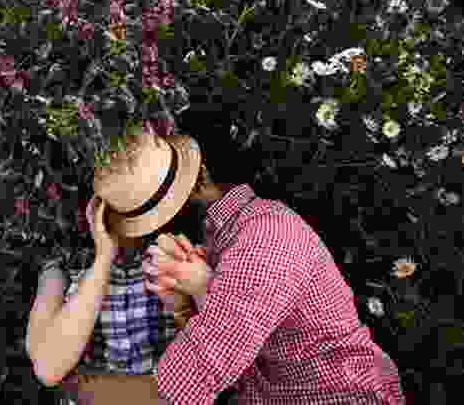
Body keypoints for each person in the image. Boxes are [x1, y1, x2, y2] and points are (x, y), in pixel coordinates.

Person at [138, 147, 408, 403]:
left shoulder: (265, 236)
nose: (156, 217)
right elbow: (241, 365)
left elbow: (188, 381)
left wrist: (199, 288)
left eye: (162, 198)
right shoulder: (218, 240)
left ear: (202, 174)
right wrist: (185, 304)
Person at [25, 128, 235, 404]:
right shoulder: (62, 266)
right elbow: (49, 368)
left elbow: (218, 359)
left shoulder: (187, 248)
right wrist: (104, 257)